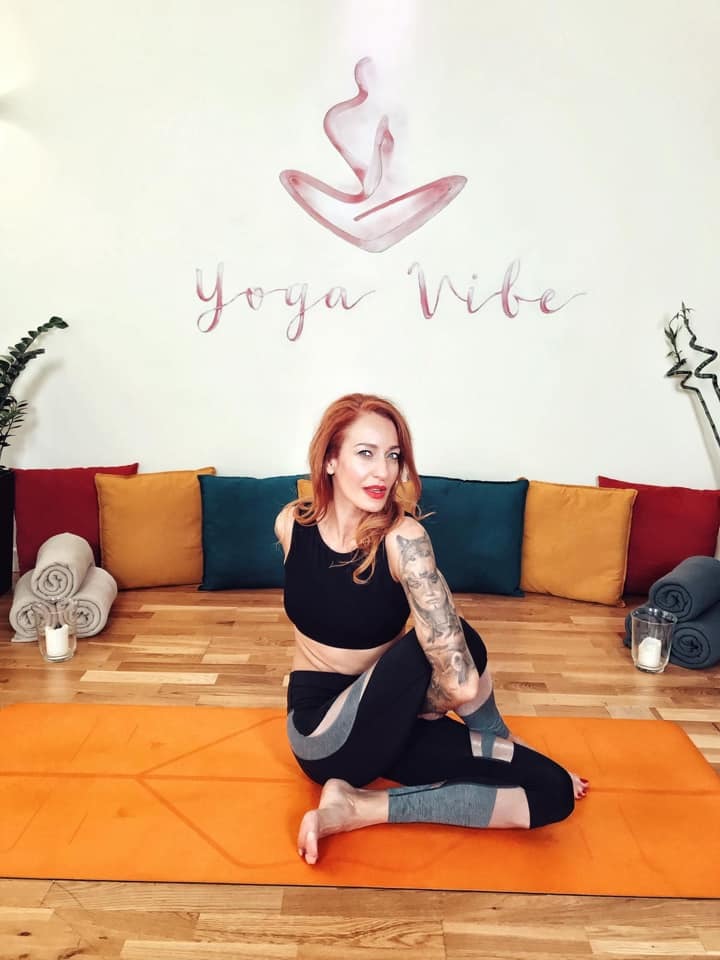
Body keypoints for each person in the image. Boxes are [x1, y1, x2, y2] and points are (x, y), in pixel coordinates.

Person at [275, 393, 587, 865]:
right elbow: (460, 686)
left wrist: (406, 707)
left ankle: (359, 807)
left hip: (381, 730)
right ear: (330, 460)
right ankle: (496, 735)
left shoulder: (398, 539)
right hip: (321, 734)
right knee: (457, 639)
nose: (383, 472)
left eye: (393, 455)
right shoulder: (292, 525)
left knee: (553, 790)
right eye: (365, 453)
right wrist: (422, 707)